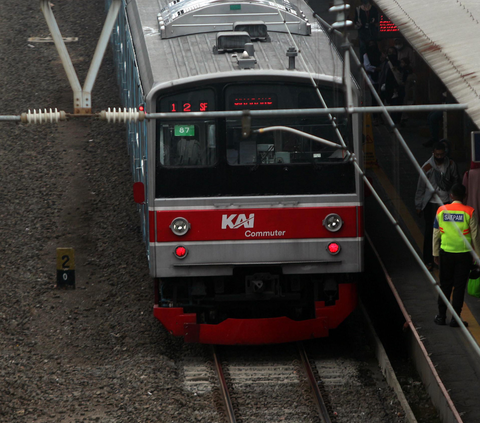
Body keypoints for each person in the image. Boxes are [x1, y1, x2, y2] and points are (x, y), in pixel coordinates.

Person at [433, 184, 480, 327]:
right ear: (465, 196)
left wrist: (435, 253)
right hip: (464, 255)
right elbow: (476, 236)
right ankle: (456, 319)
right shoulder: (469, 212)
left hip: (445, 253)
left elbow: (436, 233)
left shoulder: (441, 210)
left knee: (445, 285)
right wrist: (477, 257)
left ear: (451, 196)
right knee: (459, 287)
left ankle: (441, 316)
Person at [415, 142, 460, 270]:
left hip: (447, 202)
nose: (439, 157)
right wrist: (418, 205)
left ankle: (445, 260)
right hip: (431, 204)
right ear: (433, 153)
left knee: (447, 233)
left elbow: (456, 181)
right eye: (437, 154)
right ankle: (428, 260)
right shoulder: (427, 167)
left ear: (445, 154)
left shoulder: (451, 165)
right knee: (430, 232)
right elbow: (420, 188)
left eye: (442, 154)